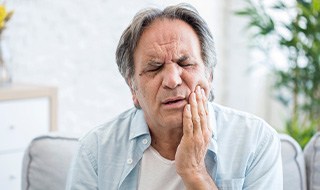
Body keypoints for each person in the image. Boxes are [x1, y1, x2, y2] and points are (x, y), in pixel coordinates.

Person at [66, 3, 283, 190]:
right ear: (133, 89)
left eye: (185, 63)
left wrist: (196, 173)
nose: (172, 80)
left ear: (209, 75)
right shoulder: (94, 151)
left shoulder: (256, 142)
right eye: (154, 67)